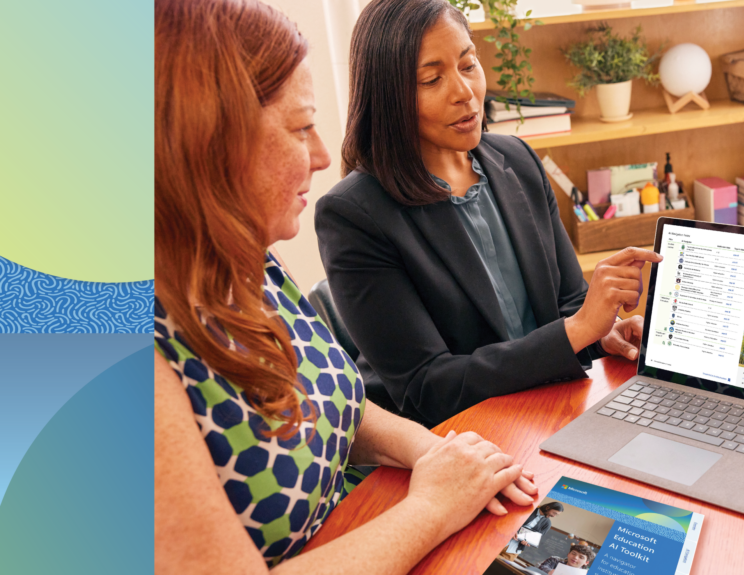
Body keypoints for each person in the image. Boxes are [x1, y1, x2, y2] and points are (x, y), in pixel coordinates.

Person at [153, 1, 537, 572]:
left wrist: (443, 455)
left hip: (371, 520)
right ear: (208, 146)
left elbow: (338, 410)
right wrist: (433, 505)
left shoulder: (245, 257)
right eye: (298, 128)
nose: (321, 155)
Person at [315, 0, 662, 427]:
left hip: (544, 411)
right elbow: (429, 386)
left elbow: (567, 303)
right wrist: (577, 332)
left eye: (468, 64)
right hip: (454, 438)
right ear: (387, 95)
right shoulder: (353, 215)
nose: (464, 91)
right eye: (431, 79)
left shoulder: (515, 159)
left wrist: (600, 335)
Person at [499, 502, 563, 561]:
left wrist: (527, 542)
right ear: (547, 507)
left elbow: (536, 538)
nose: (554, 516)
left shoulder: (547, 524)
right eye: (554, 513)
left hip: (514, 549)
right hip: (501, 540)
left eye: (556, 515)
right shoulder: (529, 510)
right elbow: (510, 520)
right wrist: (512, 529)